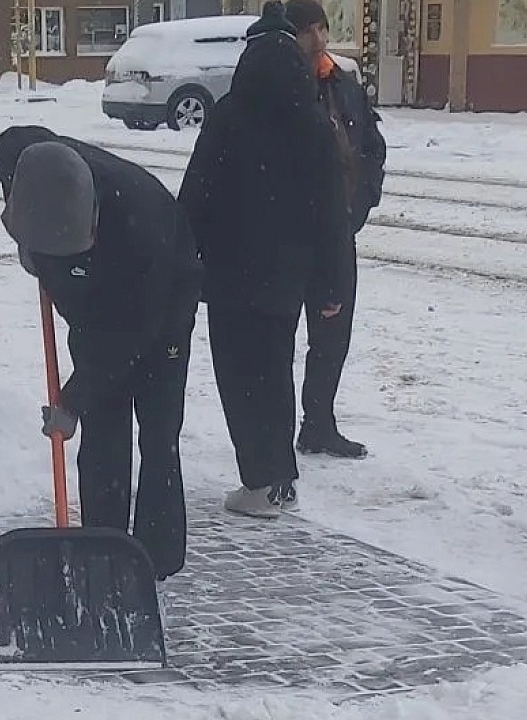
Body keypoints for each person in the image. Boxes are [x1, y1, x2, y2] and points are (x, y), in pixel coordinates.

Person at [0, 128, 204, 581]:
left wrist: (71, 399)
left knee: (158, 430)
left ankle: (153, 560)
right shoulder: (31, 164)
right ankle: (101, 546)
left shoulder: (143, 224)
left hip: (160, 307)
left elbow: (124, 341)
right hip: (93, 305)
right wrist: (26, 234)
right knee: (104, 428)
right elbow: (9, 143)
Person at [178, 0, 351, 518]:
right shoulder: (311, 123)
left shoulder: (229, 115)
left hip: (230, 273)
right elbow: (331, 218)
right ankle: (279, 476)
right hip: (287, 277)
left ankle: (258, 481)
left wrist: (183, 257)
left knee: (239, 376)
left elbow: (197, 192)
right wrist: (330, 287)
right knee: (276, 369)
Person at [285, 0, 386, 460]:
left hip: (338, 234)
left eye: (322, 28)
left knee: (331, 338)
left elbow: (371, 145)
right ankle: (276, 430)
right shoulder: (281, 88)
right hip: (287, 238)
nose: (319, 38)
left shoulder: (343, 85)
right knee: (280, 337)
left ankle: (318, 424)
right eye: (309, 30)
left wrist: (363, 199)